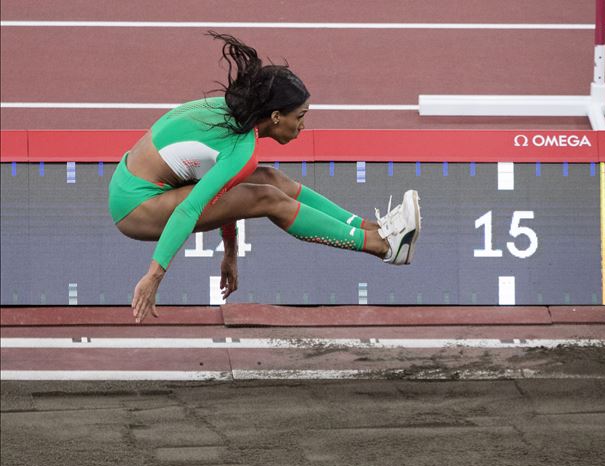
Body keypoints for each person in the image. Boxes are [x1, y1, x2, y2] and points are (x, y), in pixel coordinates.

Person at [108, 32, 421, 323]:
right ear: (275, 117)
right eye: (299, 117)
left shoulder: (233, 116)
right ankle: (381, 246)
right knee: (266, 197)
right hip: (136, 206)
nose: (302, 127)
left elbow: (221, 193)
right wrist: (154, 275)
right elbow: (190, 209)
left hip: (133, 185)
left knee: (273, 180)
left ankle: (371, 227)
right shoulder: (241, 150)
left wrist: (230, 253)